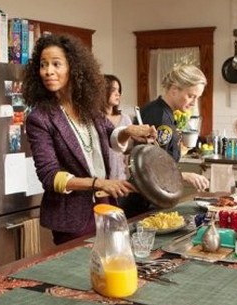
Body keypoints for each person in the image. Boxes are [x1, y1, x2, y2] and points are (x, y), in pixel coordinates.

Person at [23, 34, 156, 246]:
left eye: (56, 64)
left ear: (73, 67)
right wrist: (99, 183)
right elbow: (50, 176)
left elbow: (111, 136)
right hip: (72, 217)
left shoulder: (89, 108)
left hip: (107, 203)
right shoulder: (40, 118)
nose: (48, 71)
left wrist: (129, 131)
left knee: (113, 261)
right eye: (43, 65)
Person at [122, 63, 210, 217]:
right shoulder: (162, 118)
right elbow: (153, 167)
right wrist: (185, 176)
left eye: (197, 97)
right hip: (144, 201)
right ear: (174, 89)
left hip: (147, 196)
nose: (194, 103)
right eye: (191, 96)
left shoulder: (159, 110)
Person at [104, 74, 132, 180]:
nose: (118, 94)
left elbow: (128, 152)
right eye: (113, 90)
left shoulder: (125, 119)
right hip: (102, 179)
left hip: (121, 177)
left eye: (119, 90)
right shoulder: (95, 119)